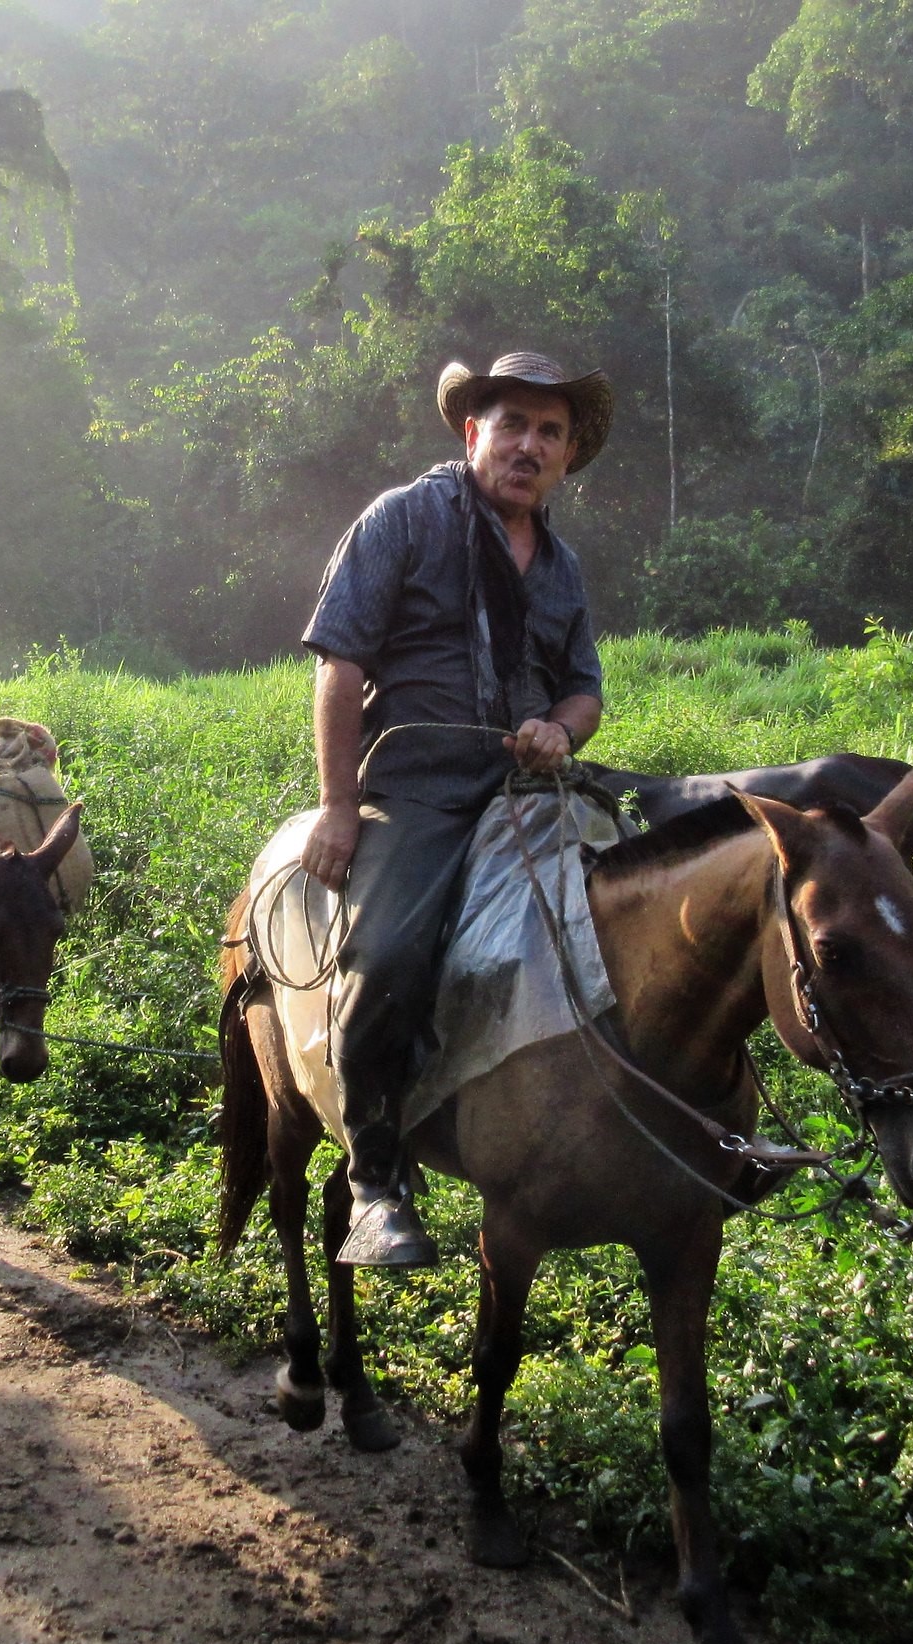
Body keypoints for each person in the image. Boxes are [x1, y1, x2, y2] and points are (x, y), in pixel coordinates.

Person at [299, 351, 612, 1266]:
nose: (529, 445)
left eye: (549, 432)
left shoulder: (560, 567)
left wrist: (559, 729)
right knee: (389, 952)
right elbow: (339, 669)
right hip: (420, 785)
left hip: (528, 790)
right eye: (511, 423)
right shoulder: (403, 520)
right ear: (473, 432)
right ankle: (375, 1182)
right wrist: (338, 807)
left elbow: (585, 691)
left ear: (565, 456)